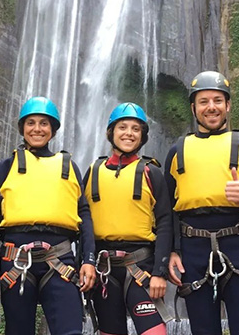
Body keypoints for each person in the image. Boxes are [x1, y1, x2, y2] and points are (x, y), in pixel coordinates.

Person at [0, 96, 96, 335]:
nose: (37, 129)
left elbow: (84, 215)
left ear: (52, 130)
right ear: (22, 128)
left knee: (70, 331)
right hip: (16, 259)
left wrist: (88, 260)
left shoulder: (69, 166)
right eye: (31, 122)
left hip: (60, 259)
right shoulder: (7, 166)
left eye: (44, 123)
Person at [165, 71, 239, 335]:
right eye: (203, 101)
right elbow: (167, 211)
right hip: (192, 251)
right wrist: (173, 252)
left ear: (228, 105)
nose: (211, 107)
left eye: (217, 100)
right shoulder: (176, 150)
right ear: (193, 108)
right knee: (203, 330)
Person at [84, 102, 172, 335]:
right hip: (104, 270)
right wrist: (85, 263)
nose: (129, 133)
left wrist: (159, 273)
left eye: (136, 129)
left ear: (143, 136)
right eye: (122, 127)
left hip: (141, 267)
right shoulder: (93, 170)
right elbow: (82, 222)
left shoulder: (151, 172)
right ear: (110, 132)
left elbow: (165, 223)